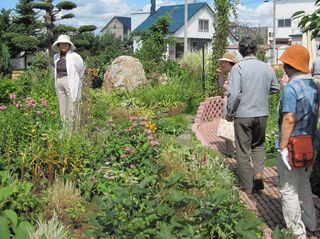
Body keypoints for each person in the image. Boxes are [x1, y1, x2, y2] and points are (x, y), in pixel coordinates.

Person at [226, 35, 280, 194]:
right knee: (258, 145)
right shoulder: (267, 67)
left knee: (243, 150)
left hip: (243, 114)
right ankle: (258, 174)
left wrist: (230, 112)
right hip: (262, 113)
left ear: (241, 51)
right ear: (255, 49)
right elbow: (275, 88)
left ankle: (247, 186)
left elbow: (234, 94)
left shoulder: (238, 68)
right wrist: (261, 92)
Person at [277, 44, 318, 239]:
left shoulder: (291, 88)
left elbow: (289, 118)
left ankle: (296, 232)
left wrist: (282, 147)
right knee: (304, 184)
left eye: (286, 63)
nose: (284, 67)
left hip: (292, 145)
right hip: (310, 143)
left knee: (288, 189)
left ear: (293, 66)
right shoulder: (313, 86)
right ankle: (311, 224)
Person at [52, 34, 85, 133]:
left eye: (65, 44)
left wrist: (77, 81)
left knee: (72, 105)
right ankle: (64, 128)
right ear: (58, 45)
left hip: (70, 81)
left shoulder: (74, 56)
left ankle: (72, 130)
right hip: (59, 81)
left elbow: (81, 69)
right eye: (61, 44)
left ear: (69, 45)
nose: (63, 46)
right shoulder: (56, 57)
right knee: (62, 106)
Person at [217, 51, 237, 157]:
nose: (222, 64)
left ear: (231, 63)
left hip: (231, 103)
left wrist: (225, 86)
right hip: (228, 102)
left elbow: (232, 90)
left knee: (231, 126)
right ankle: (230, 150)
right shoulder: (229, 73)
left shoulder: (235, 73)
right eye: (222, 62)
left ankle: (232, 151)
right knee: (228, 126)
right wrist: (221, 75)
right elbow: (221, 85)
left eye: (225, 62)